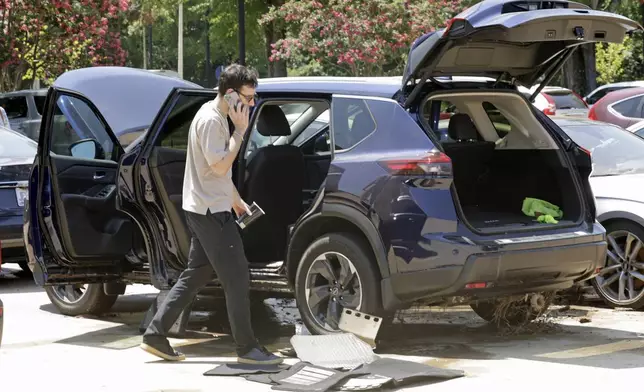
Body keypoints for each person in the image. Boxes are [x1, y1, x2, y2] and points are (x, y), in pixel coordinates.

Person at [140, 64, 283, 365]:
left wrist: (234, 199)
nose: (252, 104)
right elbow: (219, 165)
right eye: (248, 97)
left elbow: (216, 172)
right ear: (231, 94)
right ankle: (247, 348)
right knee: (237, 278)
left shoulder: (216, 116)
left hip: (210, 205)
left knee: (197, 273)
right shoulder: (211, 121)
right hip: (209, 212)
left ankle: (155, 333)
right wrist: (240, 132)